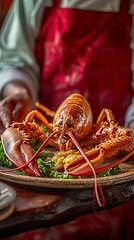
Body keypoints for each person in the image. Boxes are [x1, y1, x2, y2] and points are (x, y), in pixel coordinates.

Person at [0, 0, 134, 240]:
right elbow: (13, 58)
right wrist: (17, 90)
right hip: (40, 197)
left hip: (114, 179)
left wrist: (130, 131)